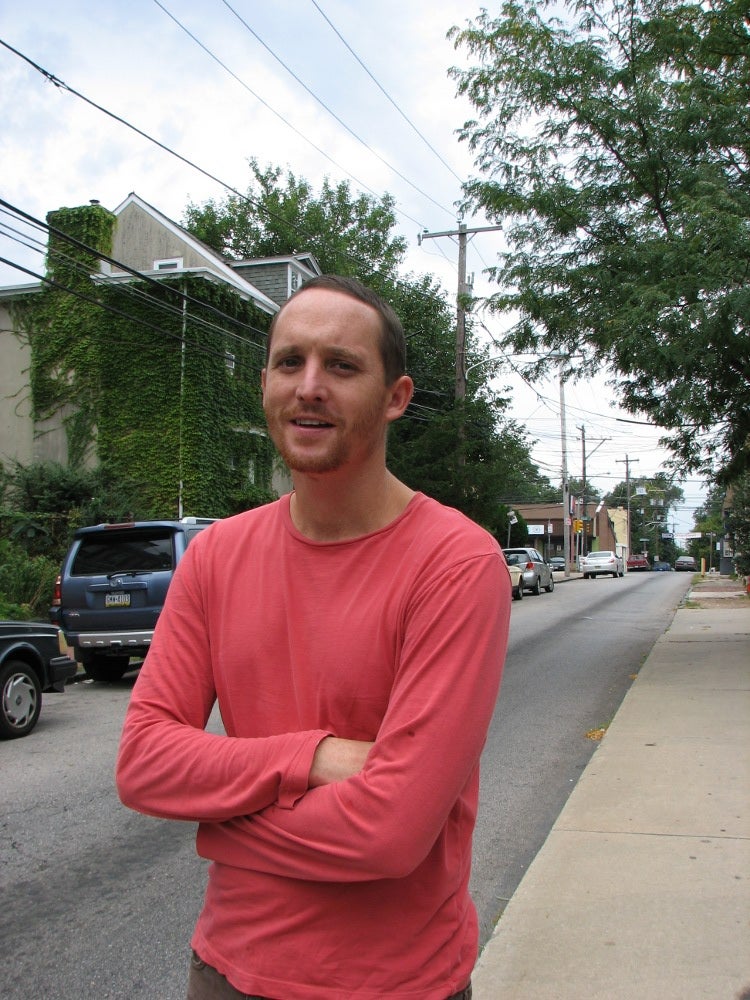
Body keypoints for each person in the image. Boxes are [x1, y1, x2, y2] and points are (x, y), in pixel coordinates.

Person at [116, 275, 511, 1000]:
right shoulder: (215, 557)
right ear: (265, 381)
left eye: (343, 365)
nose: (310, 386)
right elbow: (144, 761)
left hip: (398, 985)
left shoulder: (457, 563)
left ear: (396, 396)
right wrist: (316, 757)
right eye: (291, 362)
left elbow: (391, 833)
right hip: (226, 972)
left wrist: (219, 826)